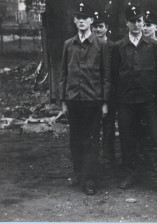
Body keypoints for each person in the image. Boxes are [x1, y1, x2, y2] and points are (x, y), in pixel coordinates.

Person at [111, 5, 157, 194]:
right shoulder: (119, 47)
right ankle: (130, 174)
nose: (136, 24)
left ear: (143, 23)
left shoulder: (152, 46)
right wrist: (120, 98)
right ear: (127, 23)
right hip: (127, 102)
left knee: (154, 139)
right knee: (128, 139)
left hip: (149, 101)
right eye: (132, 20)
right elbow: (114, 76)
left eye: (139, 20)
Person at [60, 1, 111, 195]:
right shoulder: (68, 44)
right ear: (75, 21)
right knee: (75, 139)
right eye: (78, 18)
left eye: (85, 18)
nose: (81, 21)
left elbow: (106, 75)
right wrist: (63, 101)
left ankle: (90, 179)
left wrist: (105, 102)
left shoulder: (101, 45)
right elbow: (63, 73)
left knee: (91, 140)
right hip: (73, 99)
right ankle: (78, 172)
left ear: (91, 20)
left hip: (93, 100)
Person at [92, 9, 117, 172]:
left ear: (106, 27)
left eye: (100, 26)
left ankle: (109, 161)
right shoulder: (89, 46)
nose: (97, 30)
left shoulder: (113, 47)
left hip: (111, 93)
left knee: (108, 130)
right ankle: (94, 162)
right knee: (93, 129)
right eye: (95, 27)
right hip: (92, 92)